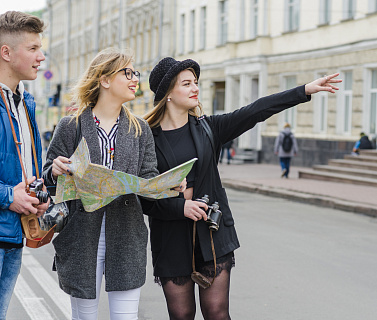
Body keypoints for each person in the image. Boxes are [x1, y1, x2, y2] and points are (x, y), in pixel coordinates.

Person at [142, 57, 341, 320]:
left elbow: (256, 110)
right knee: (182, 316)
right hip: (171, 239)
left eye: (196, 83)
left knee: (218, 314)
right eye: (187, 83)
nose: (195, 88)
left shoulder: (209, 128)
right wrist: (180, 205)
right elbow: (141, 195)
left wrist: (303, 91)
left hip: (212, 236)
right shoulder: (145, 138)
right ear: (167, 93)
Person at [42, 48, 166, 320]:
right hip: (82, 237)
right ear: (105, 79)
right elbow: (47, 177)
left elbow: (147, 176)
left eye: (136, 73)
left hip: (126, 236)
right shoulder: (70, 126)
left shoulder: (139, 128)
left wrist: (162, 187)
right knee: (84, 317)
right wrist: (56, 170)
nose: (135, 79)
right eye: (128, 73)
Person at [0, 11, 50, 319]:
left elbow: (25, 166)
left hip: (13, 235)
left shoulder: (25, 102)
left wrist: (38, 194)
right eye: (32, 48)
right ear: (6, 52)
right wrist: (9, 197)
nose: (41, 57)